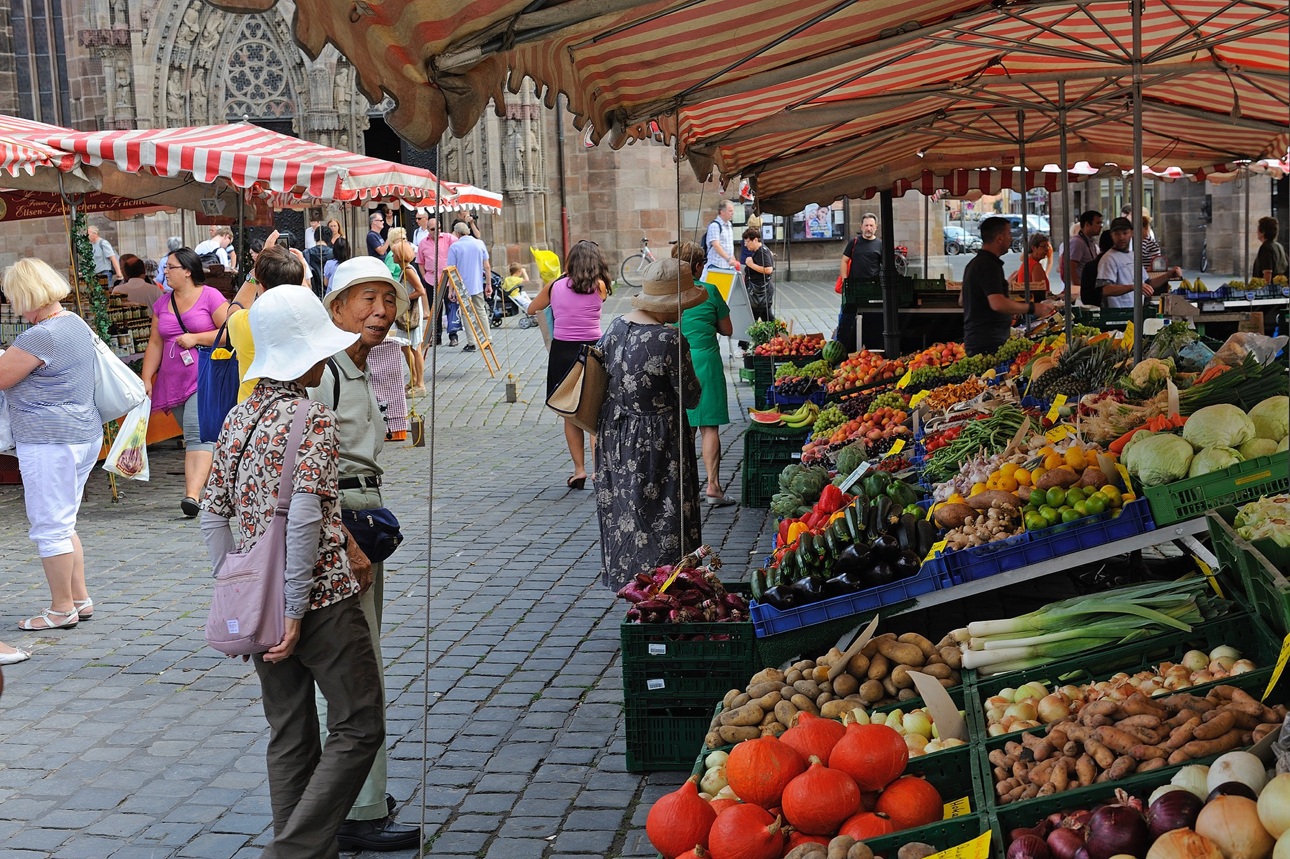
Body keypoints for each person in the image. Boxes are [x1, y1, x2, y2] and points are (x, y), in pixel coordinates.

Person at [199, 286, 385, 859]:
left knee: (290, 733)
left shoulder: (239, 416)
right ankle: (293, 852)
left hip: (258, 600)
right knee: (359, 724)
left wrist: (239, 593)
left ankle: (305, 851)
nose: (325, 360)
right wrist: (294, 608)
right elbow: (304, 516)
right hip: (320, 595)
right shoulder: (313, 416)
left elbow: (212, 513)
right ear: (302, 353)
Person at [305, 256, 420, 852]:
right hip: (341, 531)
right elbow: (308, 470)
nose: (381, 311)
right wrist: (345, 542)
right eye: (367, 299)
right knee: (359, 671)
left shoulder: (357, 365)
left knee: (359, 666)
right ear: (336, 308)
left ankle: (356, 798)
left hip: (357, 522)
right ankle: (359, 812)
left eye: (389, 299)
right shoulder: (325, 370)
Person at [0, 258, 102, 633]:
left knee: (50, 526)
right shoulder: (72, 322)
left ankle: (61, 608)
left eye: (12, 296)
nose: (12, 305)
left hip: (49, 438)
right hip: (80, 432)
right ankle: (79, 598)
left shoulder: (40, 335)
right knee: (63, 521)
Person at [594, 257, 705, 591]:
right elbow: (691, 396)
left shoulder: (616, 327)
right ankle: (666, 586)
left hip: (616, 437)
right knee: (664, 515)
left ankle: (630, 582)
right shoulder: (670, 340)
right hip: (659, 441)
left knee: (625, 509)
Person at [140, 248, 230, 517]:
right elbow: (155, 343)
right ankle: (219, 491)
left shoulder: (210, 296)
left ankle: (192, 496)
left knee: (196, 434)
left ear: (188, 271)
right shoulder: (162, 303)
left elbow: (229, 332)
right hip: (173, 380)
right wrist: (146, 377)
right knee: (202, 437)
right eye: (166, 267)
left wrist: (196, 338)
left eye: (171, 267)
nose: (165, 272)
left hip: (204, 377)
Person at [527, 240, 610, 490]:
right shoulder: (601, 286)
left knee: (569, 411)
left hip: (563, 353)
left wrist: (560, 282)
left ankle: (579, 470)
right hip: (592, 350)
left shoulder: (554, 286)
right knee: (594, 412)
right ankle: (598, 471)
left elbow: (532, 309)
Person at [674, 242, 735, 506]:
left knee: (684, 429)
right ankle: (713, 486)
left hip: (678, 361)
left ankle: (685, 488)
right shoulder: (710, 291)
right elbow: (728, 330)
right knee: (709, 426)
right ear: (699, 266)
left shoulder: (669, 294)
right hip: (707, 362)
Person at [226, 244, 310, 402]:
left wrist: (254, 272)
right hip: (296, 408)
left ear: (262, 286)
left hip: (252, 409)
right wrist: (302, 276)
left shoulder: (247, 322)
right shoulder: (307, 320)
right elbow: (311, 305)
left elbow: (232, 312)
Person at [962, 216, 1057, 356]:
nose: (1011, 239)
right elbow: (998, 304)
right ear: (999, 238)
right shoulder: (988, 265)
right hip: (988, 343)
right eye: (1009, 234)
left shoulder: (974, 264)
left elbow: (962, 299)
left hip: (980, 339)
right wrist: (1033, 308)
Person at [1096, 217, 1181, 309]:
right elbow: (1105, 290)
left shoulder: (1133, 256)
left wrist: (1169, 275)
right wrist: (1134, 287)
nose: (1121, 237)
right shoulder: (1108, 259)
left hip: (1136, 311)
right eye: (1117, 234)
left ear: (1132, 233)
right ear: (1111, 235)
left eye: (1125, 233)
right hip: (1118, 313)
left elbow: (1148, 283)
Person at [387, 236, 427, 395]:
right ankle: (414, 379)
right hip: (407, 312)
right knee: (406, 346)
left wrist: (404, 299)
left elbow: (420, 291)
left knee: (415, 348)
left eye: (394, 254)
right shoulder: (405, 270)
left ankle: (420, 384)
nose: (392, 256)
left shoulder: (408, 270)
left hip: (412, 313)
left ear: (400, 255)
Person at [445, 221, 492, 353]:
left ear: (457, 233)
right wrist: (488, 284)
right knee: (481, 311)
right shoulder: (479, 243)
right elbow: (487, 266)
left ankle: (472, 342)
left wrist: (450, 289)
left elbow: (451, 270)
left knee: (466, 313)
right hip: (477, 283)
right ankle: (487, 338)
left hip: (461, 285)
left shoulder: (455, 247)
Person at [838, 213, 882, 351]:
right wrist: (845, 281)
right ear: (861, 227)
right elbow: (844, 261)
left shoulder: (880, 244)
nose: (868, 228)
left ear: (876, 227)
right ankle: (845, 346)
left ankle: (870, 344)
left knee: (871, 318)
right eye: (866, 225)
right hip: (854, 287)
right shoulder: (854, 242)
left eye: (871, 225)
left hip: (872, 288)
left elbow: (884, 266)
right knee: (848, 317)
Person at [414, 214, 459, 347]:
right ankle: (437, 336)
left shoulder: (448, 238)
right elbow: (420, 262)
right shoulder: (423, 243)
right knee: (435, 310)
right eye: (433, 229)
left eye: (438, 228)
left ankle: (453, 336)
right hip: (431, 280)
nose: (437, 231)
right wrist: (424, 276)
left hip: (447, 280)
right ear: (428, 229)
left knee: (451, 308)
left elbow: (459, 246)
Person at [1061, 210, 1102, 297]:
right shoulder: (1078, 242)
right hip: (1080, 291)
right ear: (1087, 224)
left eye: (1101, 223)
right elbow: (1071, 267)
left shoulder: (1090, 242)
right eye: (1097, 223)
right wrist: (1078, 289)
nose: (1100, 226)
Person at [742, 227, 775, 322]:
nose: (745, 245)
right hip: (759, 290)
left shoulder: (762, 251)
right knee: (766, 317)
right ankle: (776, 330)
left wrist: (751, 264)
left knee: (753, 318)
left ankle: (776, 329)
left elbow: (768, 269)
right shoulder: (760, 251)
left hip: (760, 291)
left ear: (755, 240)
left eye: (747, 241)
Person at [705, 200, 738, 272]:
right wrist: (728, 259)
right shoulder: (715, 226)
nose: (733, 213)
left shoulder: (729, 225)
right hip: (717, 265)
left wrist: (733, 259)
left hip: (729, 266)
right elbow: (716, 245)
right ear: (722, 212)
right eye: (730, 211)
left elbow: (728, 245)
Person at [1252, 216, 1288, 281]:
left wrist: (1265, 287)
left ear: (1263, 232)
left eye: (1258, 229)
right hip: (1280, 285)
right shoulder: (1279, 246)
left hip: (1270, 286)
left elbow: (1267, 273)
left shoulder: (1265, 248)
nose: (1256, 231)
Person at [305, 224, 334, 299]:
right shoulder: (334, 254)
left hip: (312, 295)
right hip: (330, 294)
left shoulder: (306, 254)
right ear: (330, 238)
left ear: (315, 237)